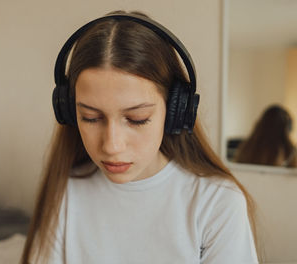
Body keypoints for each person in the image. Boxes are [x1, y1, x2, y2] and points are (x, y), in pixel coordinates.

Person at [21, 11, 258, 264]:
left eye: (137, 119)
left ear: (175, 112)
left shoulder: (217, 202)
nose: (112, 146)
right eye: (91, 117)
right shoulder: (67, 189)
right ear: (68, 111)